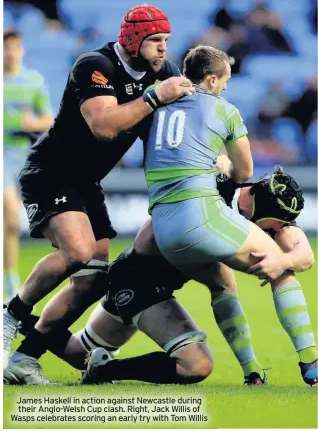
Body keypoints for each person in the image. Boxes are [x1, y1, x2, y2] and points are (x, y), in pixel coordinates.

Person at [80, 45, 316, 386]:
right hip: (189, 225)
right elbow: (244, 169)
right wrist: (225, 166)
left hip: (163, 231)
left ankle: (252, 372)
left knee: (223, 282)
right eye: (224, 81)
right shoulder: (225, 112)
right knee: (279, 270)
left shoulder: (156, 102)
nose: (225, 88)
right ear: (210, 78)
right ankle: (311, 364)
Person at [3, 4, 196, 379]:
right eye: (156, 40)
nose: (163, 49)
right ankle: (11, 314)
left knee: (93, 279)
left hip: (87, 182)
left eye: (166, 41)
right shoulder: (95, 65)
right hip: (50, 173)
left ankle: (24, 359)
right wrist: (155, 98)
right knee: (78, 252)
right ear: (134, 39)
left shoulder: (163, 72)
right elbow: (104, 126)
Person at [3, 29, 53, 303]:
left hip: (24, 156)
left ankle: (11, 279)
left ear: (21, 50)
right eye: (5, 48)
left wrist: (29, 124)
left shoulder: (33, 81)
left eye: (14, 47)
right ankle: (10, 283)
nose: (9, 53)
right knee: (11, 215)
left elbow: (47, 118)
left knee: (12, 226)